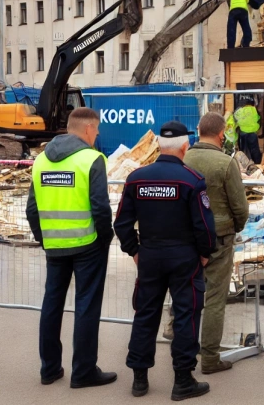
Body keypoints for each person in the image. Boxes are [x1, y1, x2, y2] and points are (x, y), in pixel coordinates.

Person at [114, 121, 217, 401]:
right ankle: (183, 380)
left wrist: (135, 250)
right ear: (185, 146)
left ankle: (139, 379)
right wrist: (206, 253)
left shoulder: (137, 178)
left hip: (149, 255)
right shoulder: (192, 180)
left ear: (159, 145)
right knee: (185, 316)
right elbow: (204, 226)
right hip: (184, 257)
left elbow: (122, 222)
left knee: (145, 314)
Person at [26, 108, 117, 389]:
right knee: (86, 306)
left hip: (55, 246)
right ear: (88, 129)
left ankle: (49, 369)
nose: (98, 135)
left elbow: (32, 208)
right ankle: (83, 371)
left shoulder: (41, 160)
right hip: (88, 245)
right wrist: (106, 237)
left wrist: (45, 237)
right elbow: (100, 207)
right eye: (97, 130)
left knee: (51, 305)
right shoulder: (92, 159)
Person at [184, 113, 250, 375]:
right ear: (222, 134)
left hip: (187, 238)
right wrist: (234, 228)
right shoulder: (225, 163)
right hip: (219, 238)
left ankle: (181, 343)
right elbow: (240, 207)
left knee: (186, 293)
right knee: (214, 299)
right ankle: (210, 357)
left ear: (199, 130)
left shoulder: (184, 158)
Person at [234, 97, 263, 164]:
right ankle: (257, 163)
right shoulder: (254, 109)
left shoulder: (238, 110)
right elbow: (258, 118)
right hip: (252, 132)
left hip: (242, 132)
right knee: (254, 150)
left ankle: (244, 164)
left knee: (243, 150)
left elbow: (235, 119)